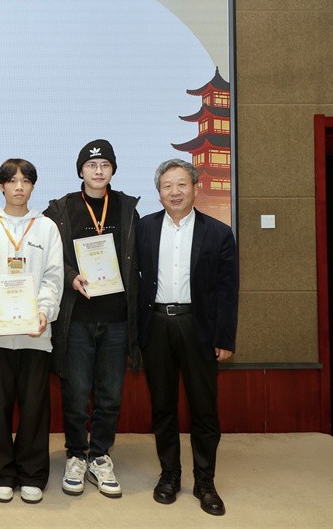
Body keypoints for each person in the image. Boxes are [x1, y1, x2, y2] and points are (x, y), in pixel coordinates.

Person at [136, 159, 238, 517]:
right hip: (156, 326)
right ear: (159, 192)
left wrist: (225, 337)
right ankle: (169, 475)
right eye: (167, 186)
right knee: (162, 406)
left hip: (199, 327)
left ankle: (205, 481)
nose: (174, 192)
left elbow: (227, 290)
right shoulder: (144, 228)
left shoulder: (218, 232)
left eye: (181, 184)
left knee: (204, 408)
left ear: (196, 188)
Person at [43, 140, 140, 498]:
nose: (98, 171)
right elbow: (49, 257)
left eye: (105, 165)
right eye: (91, 165)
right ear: (80, 170)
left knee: (110, 393)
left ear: (113, 170)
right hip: (77, 318)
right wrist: (71, 276)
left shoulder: (127, 208)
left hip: (116, 318)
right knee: (76, 392)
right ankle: (75, 454)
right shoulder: (61, 209)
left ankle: (100, 454)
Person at [0, 158, 64, 504]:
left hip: (34, 334)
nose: (19, 187)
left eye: (25, 181)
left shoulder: (46, 228)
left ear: (33, 186)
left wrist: (44, 311)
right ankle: (0, 473)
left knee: (34, 406)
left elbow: (53, 277)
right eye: (12, 181)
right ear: (1, 186)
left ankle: (32, 474)